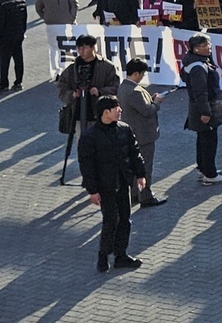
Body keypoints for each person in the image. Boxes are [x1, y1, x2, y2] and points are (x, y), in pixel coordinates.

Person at [78, 95, 147, 272]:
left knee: (125, 219)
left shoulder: (124, 129)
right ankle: (103, 256)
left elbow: (134, 152)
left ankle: (121, 255)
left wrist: (140, 174)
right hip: (105, 186)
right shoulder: (89, 137)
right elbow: (87, 166)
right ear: (105, 112)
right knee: (110, 221)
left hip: (123, 183)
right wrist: (92, 190)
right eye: (117, 108)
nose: (120, 111)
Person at [117, 59, 166, 208]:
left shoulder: (123, 87)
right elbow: (147, 111)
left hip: (132, 133)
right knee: (145, 167)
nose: (143, 77)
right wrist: (156, 102)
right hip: (143, 135)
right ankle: (146, 195)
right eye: (142, 74)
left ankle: (135, 193)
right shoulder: (135, 91)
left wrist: (149, 100)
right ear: (136, 73)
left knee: (133, 167)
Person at [181, 33, 222, 185]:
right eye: (205, 45)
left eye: (209, 44)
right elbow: (200, 91)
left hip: (200, 107)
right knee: (208, 141)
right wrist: (206, 112)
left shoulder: (194, 61)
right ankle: (210, 173)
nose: (209, 48)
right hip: (204, 107)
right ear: (195, 49)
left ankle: (203, 168)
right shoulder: (198, 67)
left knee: (203, 139)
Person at [57, 34, 121, 141]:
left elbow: (115, 86)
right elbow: (61, 87)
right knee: (83, 146)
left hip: (100, 115)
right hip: (78, 114)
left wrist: (100, 91)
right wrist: (72, 94)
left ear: (93, 47)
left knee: (101, 145)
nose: (81, 51)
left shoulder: (106, 66)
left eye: (84, 48)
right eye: (79, 48)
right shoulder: (72, 68)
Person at [0, 0, 26, 91]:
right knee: (18, 59)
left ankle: (3, 84)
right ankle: (18, 82)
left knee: (4, 61)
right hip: (18, 35)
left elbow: (1, 22)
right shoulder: (21, 0)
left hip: (5, 37)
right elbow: (24, 19)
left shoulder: (3, 3)